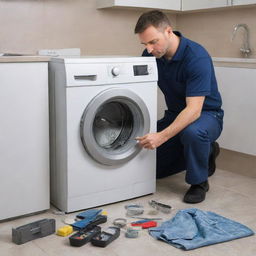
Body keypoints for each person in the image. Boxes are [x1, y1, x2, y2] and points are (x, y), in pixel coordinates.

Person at [134, 10, 224, 203]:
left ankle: (199, 182)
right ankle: (205, 152)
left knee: (193, 133)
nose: (149, 49)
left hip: (206, 116)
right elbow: (137, 88)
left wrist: (161, 137)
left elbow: (194, 110)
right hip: (175, 115)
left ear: (168, 31)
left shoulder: (196, 57)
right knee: (152, 169)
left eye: (153, 42)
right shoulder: (150, 56)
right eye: (144, 44)